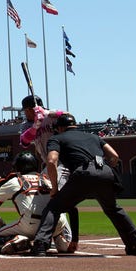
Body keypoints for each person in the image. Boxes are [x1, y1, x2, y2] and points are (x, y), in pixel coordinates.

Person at [29, 114, 136, 256]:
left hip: (83, 174)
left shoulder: (56, 138)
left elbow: (51, 161)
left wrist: (55, 188)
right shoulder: (94, 137)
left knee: (54, 207)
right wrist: (102, 170)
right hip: (105, 172)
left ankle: (41, 244)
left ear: (59, 128)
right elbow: (114, 156)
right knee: (113, 209)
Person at [0, 152, 73, 255]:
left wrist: (4, 229)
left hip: (31, 225)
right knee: (54, 212)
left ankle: (17, 239)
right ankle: (60, 240)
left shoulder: (15, 181)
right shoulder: (48, 178)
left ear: (18, 166)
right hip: (57, 223)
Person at [19, 95, 79, 250]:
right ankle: (58, 236)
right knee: (54, 199)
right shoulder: (27, 125)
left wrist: (47, 113)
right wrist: (36, 125)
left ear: (30, 109)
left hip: (62, 161)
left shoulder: (50, 116)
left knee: (53, 200)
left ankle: (56, 237)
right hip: (49, 165)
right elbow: (24, 142)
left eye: (26, 110)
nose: (25, 114)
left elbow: (69, 118)